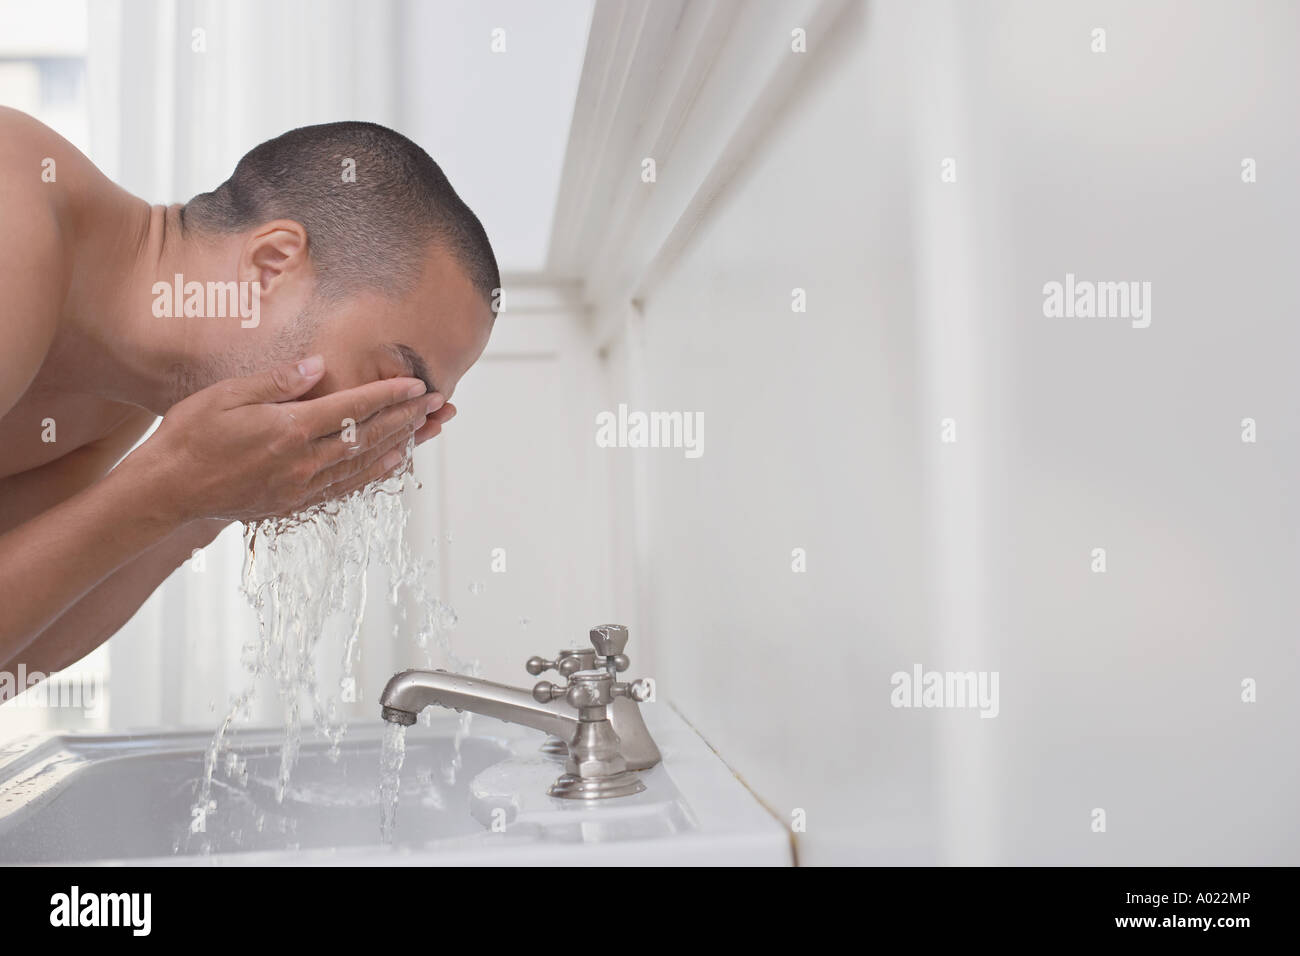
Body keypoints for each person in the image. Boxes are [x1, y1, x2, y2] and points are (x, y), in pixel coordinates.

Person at [0, 109, 498, 697]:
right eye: (391, 381)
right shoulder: (15, 226)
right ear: (271, 265)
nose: (379, 426)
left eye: (415, 411)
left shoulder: (122, 392)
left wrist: (206, 504)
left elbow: (14, 654)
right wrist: (170, 485)